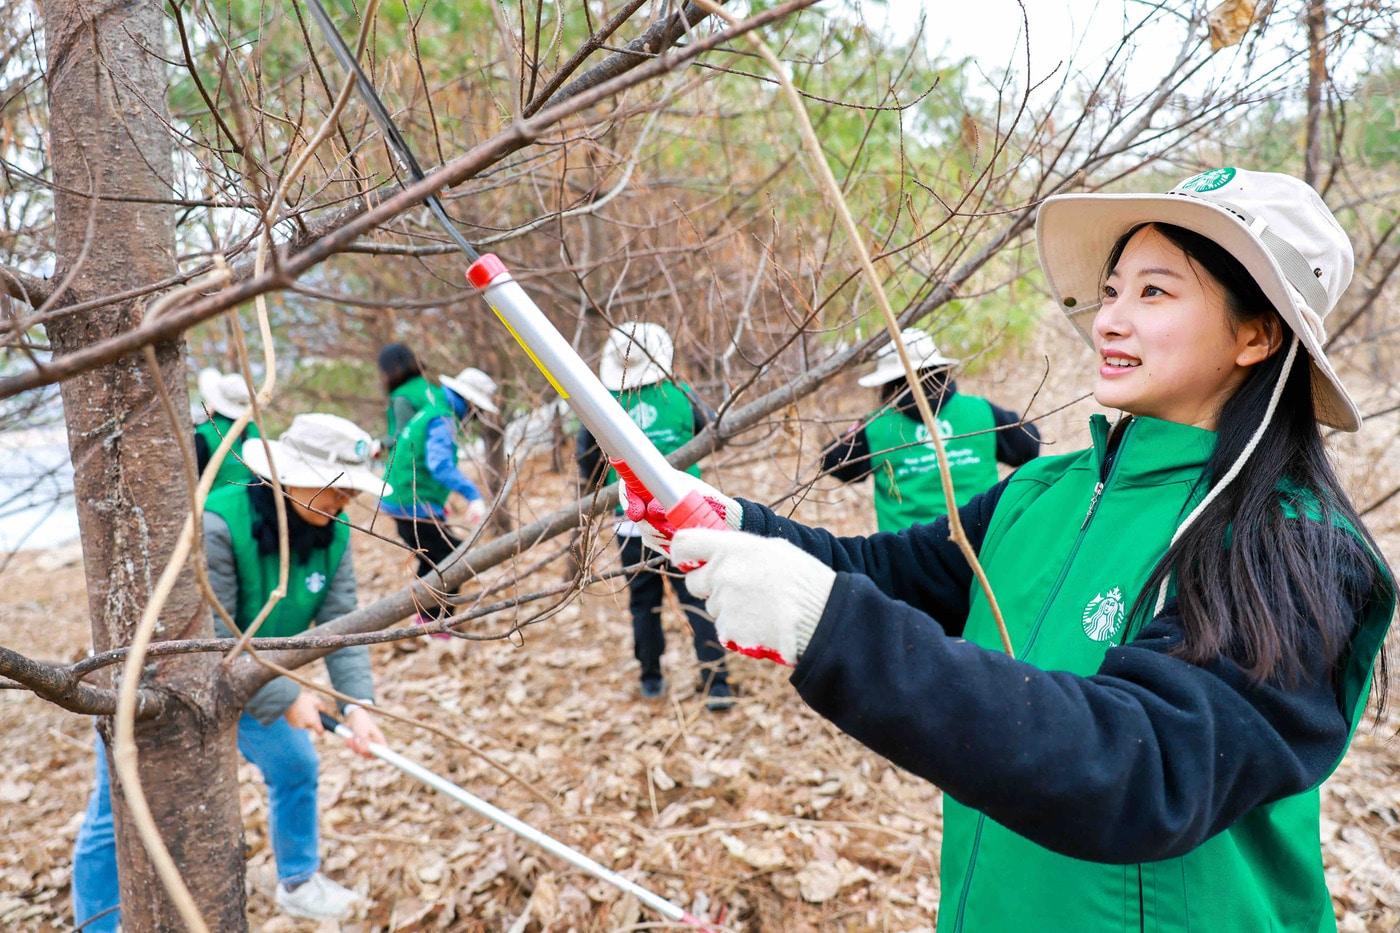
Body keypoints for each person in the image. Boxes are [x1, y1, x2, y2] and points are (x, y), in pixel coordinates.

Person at [635, 169, 1396, 929]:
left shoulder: (1294, 547)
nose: (1108, 320)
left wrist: (829, 626)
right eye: (1111, 290)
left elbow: (1142, 767)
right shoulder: (1040, 492)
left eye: (1154, 293)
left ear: (1256, 334)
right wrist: (731, 522)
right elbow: (885, 574)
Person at [72, 414, 390, 928]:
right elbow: (213, 635)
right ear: (292, 476)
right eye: (337, 488)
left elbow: (342, 624)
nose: (344, 501)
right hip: (160, 679)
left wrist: (357, 705)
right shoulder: (219, 524)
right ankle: (97, 923)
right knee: (116, 808)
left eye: (351, 491)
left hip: (252, 682)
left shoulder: (334, 535)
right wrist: (288, 696)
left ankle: (299, 880)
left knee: (295, 766)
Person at [576, 322, 734, 711]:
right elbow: (713, 431)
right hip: (686, 513)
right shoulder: (680, 393)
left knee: (644, 602)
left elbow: (586, 459)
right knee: (696, 594)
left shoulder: (602, 405)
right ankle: (716, 682)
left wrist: (606, 481)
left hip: (631, 519)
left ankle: (651, 678)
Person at [821, 328, 1041, 531]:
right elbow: (1029, 446)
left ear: (888, 383)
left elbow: (832, 461)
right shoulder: (981, 411)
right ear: (941, 371)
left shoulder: (876, 427)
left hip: (907, 551)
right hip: (981, 541)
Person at [379, 365, 495, 629]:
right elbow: (439, 465)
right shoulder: (442, 418)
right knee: (449, 557)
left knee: (435, 555)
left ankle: (426, 618)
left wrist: (436, 504)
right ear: (470, 403)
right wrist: (472, 495)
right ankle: (432, 622)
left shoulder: (434, 408)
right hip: (409, 502)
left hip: (407, 498)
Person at [193, 367, 261, 489]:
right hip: (251, 497)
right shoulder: (254, 430)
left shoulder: (205, 434)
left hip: (213, 499)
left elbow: (193, 476)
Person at [376, 343, 443, 456]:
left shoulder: (403, 398)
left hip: (414, 462)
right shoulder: (430, 388)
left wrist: (381, 445)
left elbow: (403, 436)